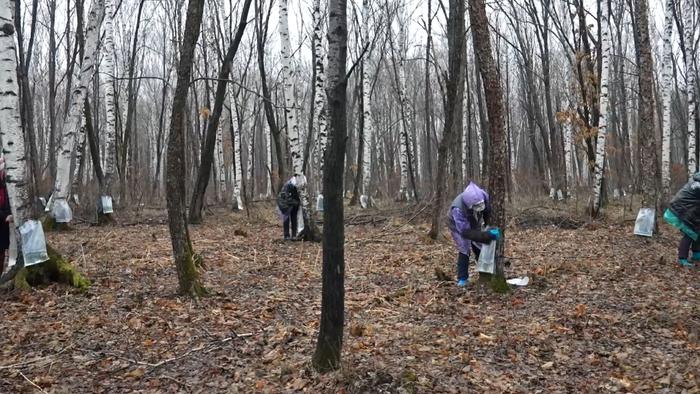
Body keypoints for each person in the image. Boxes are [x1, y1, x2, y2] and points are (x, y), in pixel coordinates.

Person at [446, 181, 500, 287]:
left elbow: (487, 212)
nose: (480, 206)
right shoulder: (458, 209)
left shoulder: (484, 196)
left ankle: (485, 273)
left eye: (481, 204)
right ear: (470, 204)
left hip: (474, 220)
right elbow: (466, 232)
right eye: (477, 205)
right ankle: (462, 278)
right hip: (458, 226)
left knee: (479, 246)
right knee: (464, 248)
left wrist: (488, 227)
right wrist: (487, 236)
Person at [664, 172, 700, 267]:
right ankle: (682, 259)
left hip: (689, 209)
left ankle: (696, 254)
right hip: (683, 209)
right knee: (689, 233)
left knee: (696, 231)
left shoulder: (697, 180)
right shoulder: (698, 185)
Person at [0, 158, 12, 273]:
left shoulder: (5, 186)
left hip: (3, 227)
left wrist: (10, 214)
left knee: (2, 252)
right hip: (2, 221)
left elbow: (8, 203)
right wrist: (5, 216)